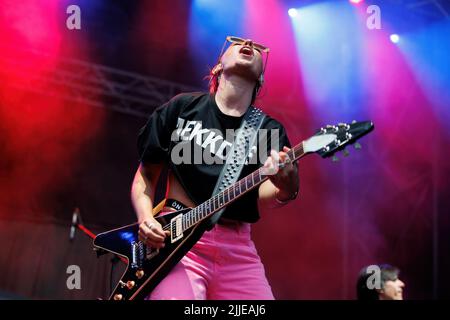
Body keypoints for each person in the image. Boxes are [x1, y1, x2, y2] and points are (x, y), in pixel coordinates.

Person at [131, 36, 299, 300]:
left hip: (238, 251)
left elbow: (266, 192)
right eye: (238, 42)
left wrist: (287, 185)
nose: (249, 44)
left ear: (261, 79)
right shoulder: (182, 108)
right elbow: (145, 176)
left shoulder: (269, 130)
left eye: (257, 48)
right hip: (177, 240)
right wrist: (145, 218)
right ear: (218, 67)